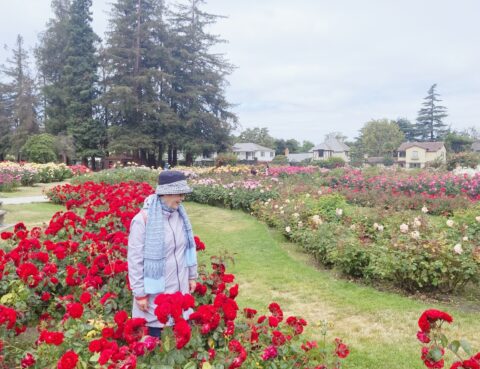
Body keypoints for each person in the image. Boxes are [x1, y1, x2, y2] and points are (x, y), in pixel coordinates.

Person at [127, 170, 198, 338]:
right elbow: (135, 261)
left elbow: (186, 248)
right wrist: (139, 294)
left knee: (179, 347)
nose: (182, 198)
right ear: (165, 193)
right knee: (157, 349)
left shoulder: (180, 216)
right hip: (155, 298)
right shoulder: (142, 220)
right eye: (179, 194)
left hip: (179, 292)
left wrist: (192, 275)